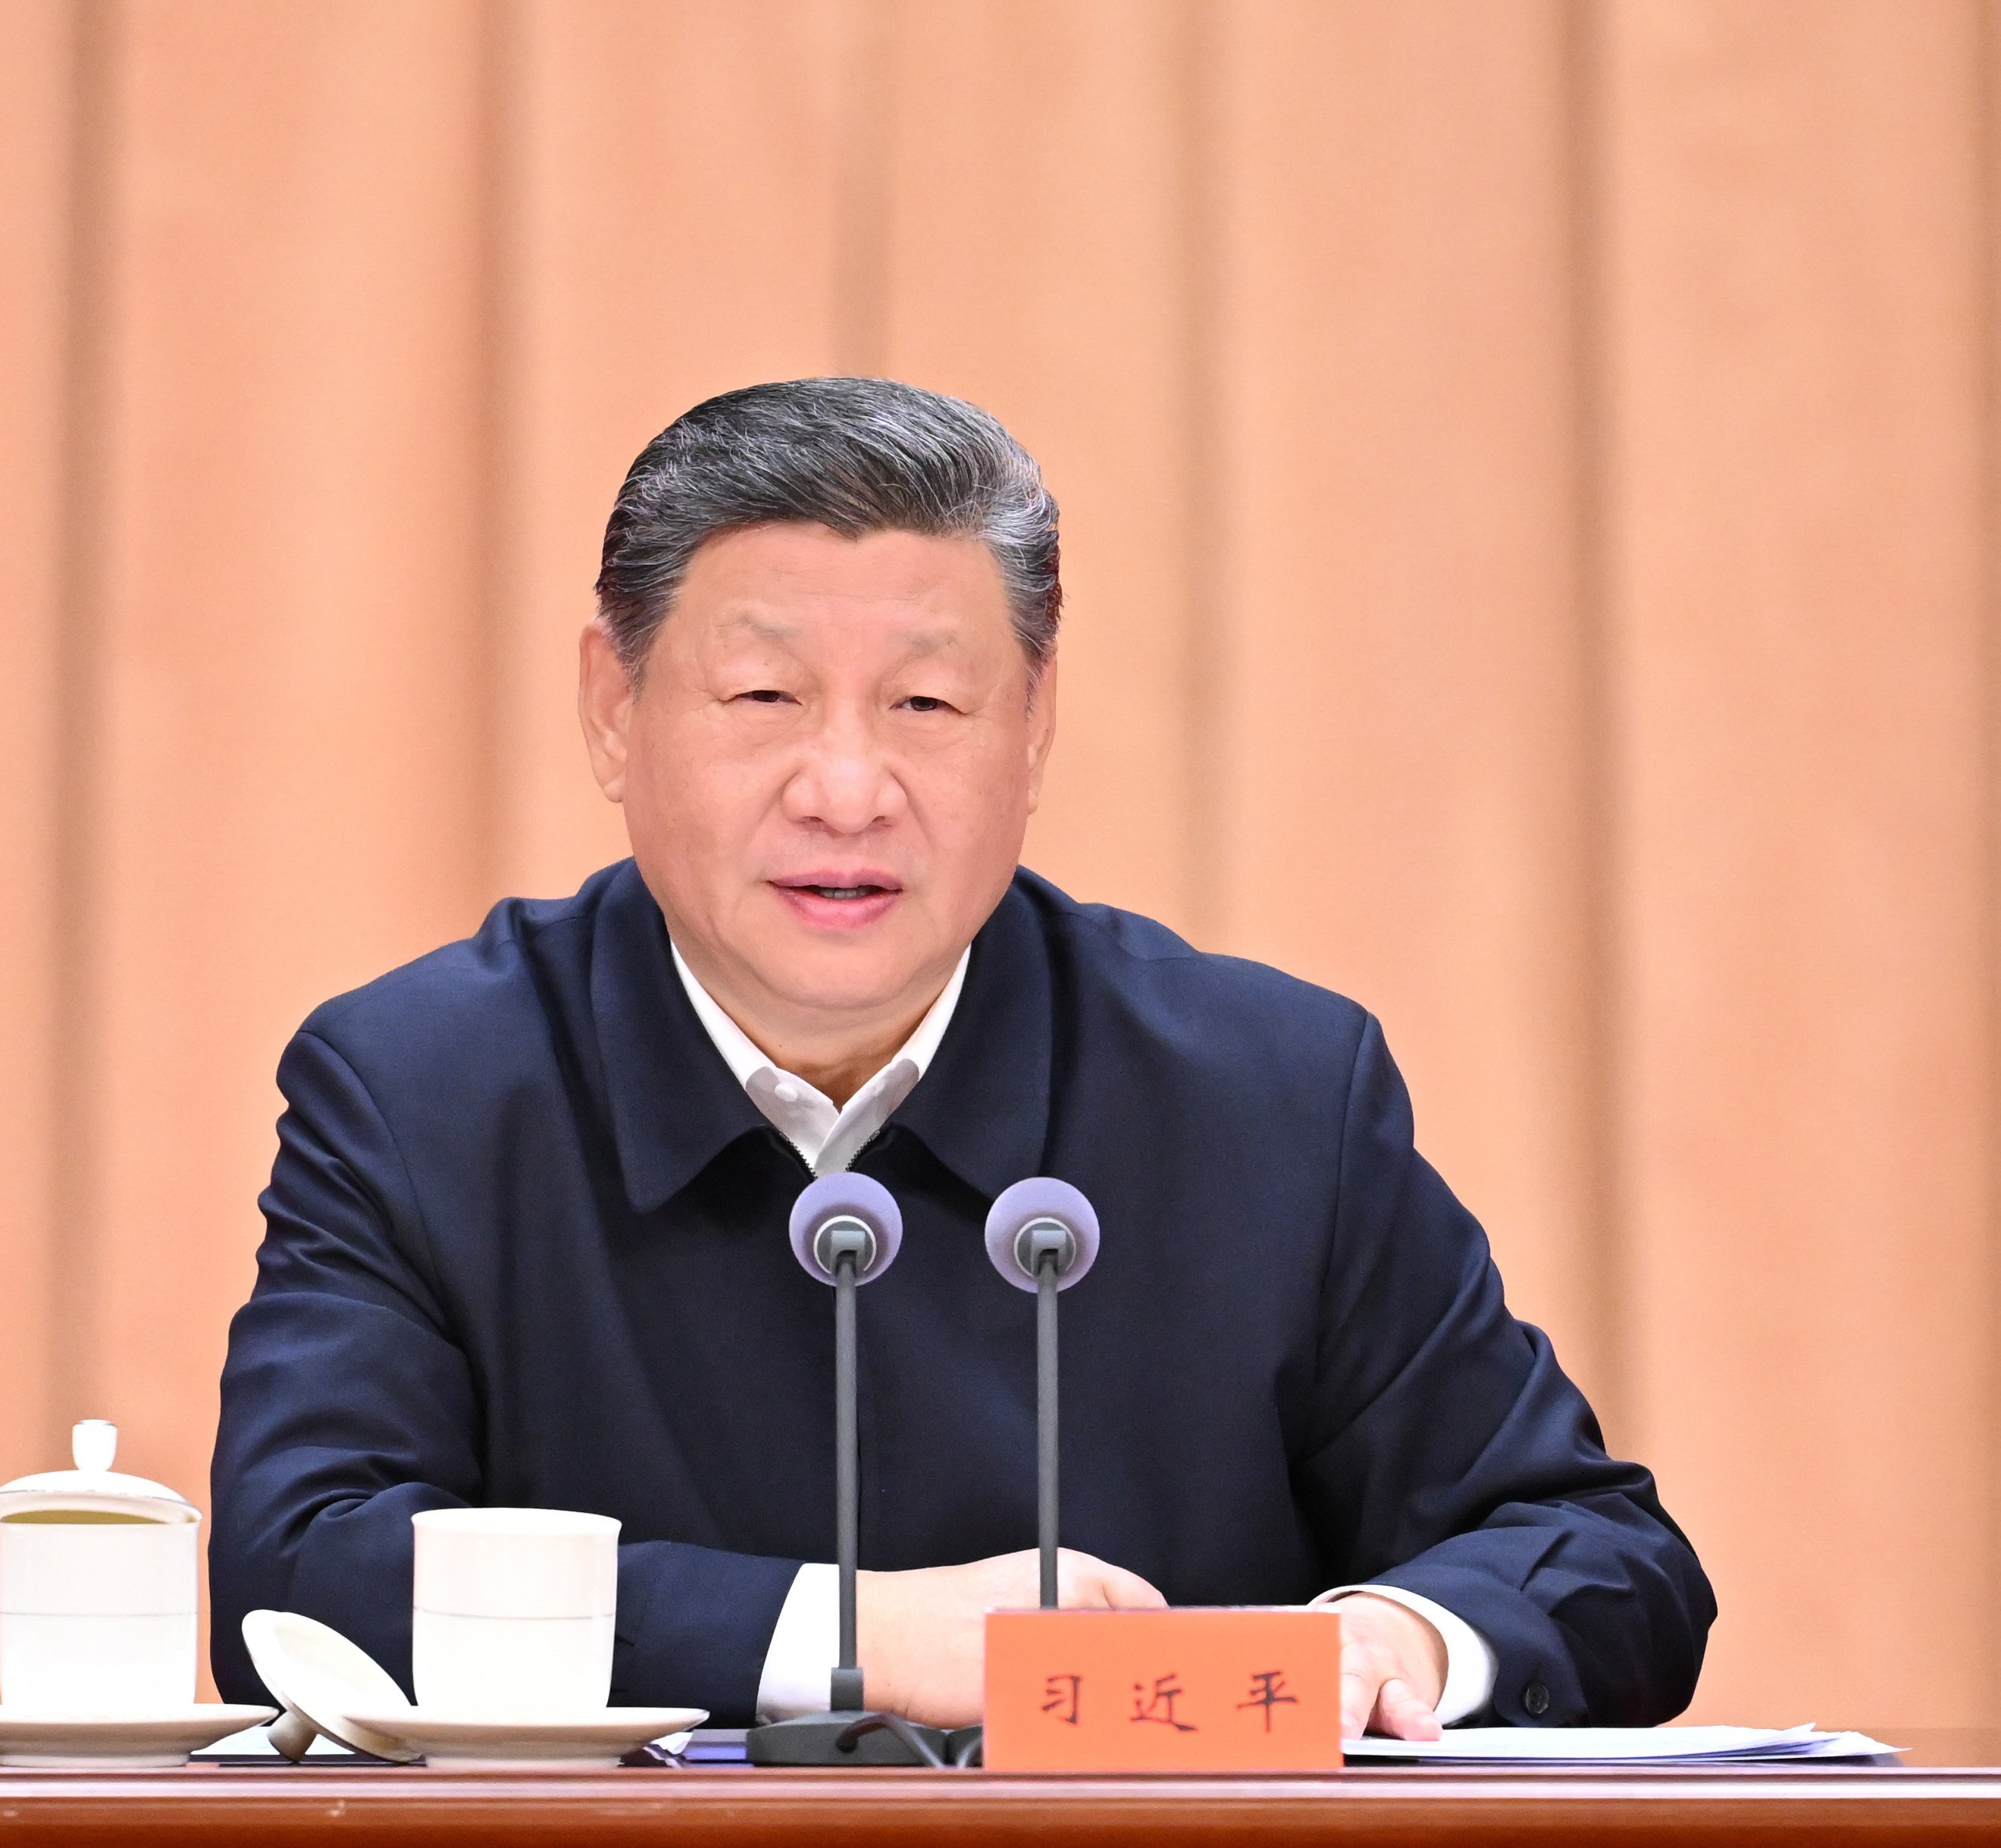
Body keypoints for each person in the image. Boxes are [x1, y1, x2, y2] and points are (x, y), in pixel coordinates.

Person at [209, 377, 1712, 1737]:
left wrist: (1405, 1636)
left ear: (1037, 722)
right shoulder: (427, 1089)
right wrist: (862, 1636)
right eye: (765, 699)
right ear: (615, 709)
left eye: (927, 705)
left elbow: (1600, 1557)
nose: (849, 788)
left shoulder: (1265, 1091)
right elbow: (299, 1576)